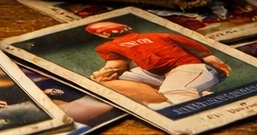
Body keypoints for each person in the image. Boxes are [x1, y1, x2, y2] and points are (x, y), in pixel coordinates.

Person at [86, 20, 231, 109]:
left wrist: (102, 74)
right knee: (117, 81)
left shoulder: (109, 46)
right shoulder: (156, 36)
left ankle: (193, 97)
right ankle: (198, 92)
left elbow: (114, 67)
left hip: (188, 68)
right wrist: (104, 75)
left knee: (174, 98)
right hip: (164, 74)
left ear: (103, 35)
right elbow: (116, 69)